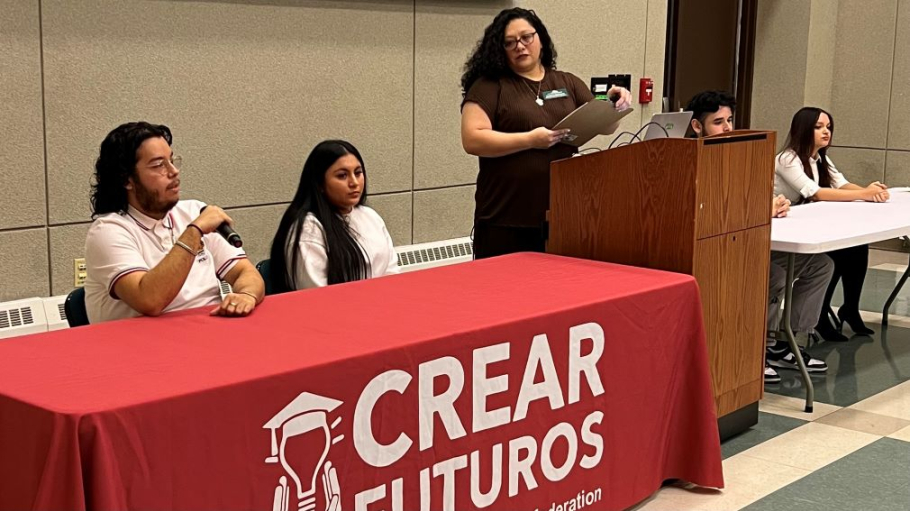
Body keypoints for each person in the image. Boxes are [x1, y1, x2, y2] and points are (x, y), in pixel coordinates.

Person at [460, 7, 632, 258]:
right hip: (505, 218)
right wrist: (530, 140)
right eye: (510, 42)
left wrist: (613, 104)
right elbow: (472, 139)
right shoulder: (490, 85)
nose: (520, 46)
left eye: (526, 37)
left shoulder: (567, 82)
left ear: (540, 37)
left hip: (563, 214)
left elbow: (606, 126)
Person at [687, 91, 832, 382]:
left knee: (820, 265)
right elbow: (712, 210)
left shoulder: (737, 153)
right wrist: (763, 208)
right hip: (710, 251)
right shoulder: (691, 160)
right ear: (696, 127)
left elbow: (752, 197)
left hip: (745, 242)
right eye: (718, 122)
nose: (728, 128)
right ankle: (757, 347)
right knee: (774, 276)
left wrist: (771, 203)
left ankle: (786, 342)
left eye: (730, 120)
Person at [84, 122, 264, 324]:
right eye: (158, 165)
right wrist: (194, 231)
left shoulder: (194, 211)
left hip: (208, 332)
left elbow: (245, 272)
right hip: (142, 347)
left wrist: (246, 295)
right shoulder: (108, 231)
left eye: (172, 160)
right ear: (127, 180)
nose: (173, 171)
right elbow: (150, 300)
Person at [775, 107, 889, 338]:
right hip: (784, 226)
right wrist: (865, 194)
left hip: (805, 223)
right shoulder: (787, 158)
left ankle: (850, 308)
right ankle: (820, 313)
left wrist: (873, 191)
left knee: (857, 246)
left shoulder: (820, 158)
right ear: (803, 129)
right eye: (818, 127)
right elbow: (815, 192)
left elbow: (843, 184)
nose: (826, 132)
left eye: (828, 127)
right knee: (834, 254)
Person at [269, 140, 399, 291]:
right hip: (336, 311)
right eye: (342, 176)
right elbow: (315, 296)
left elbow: (392, 273)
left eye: (358, 173)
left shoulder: (370, 216)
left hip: (381, 306)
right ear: (319, 184)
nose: (354, 182)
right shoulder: (309, 229)